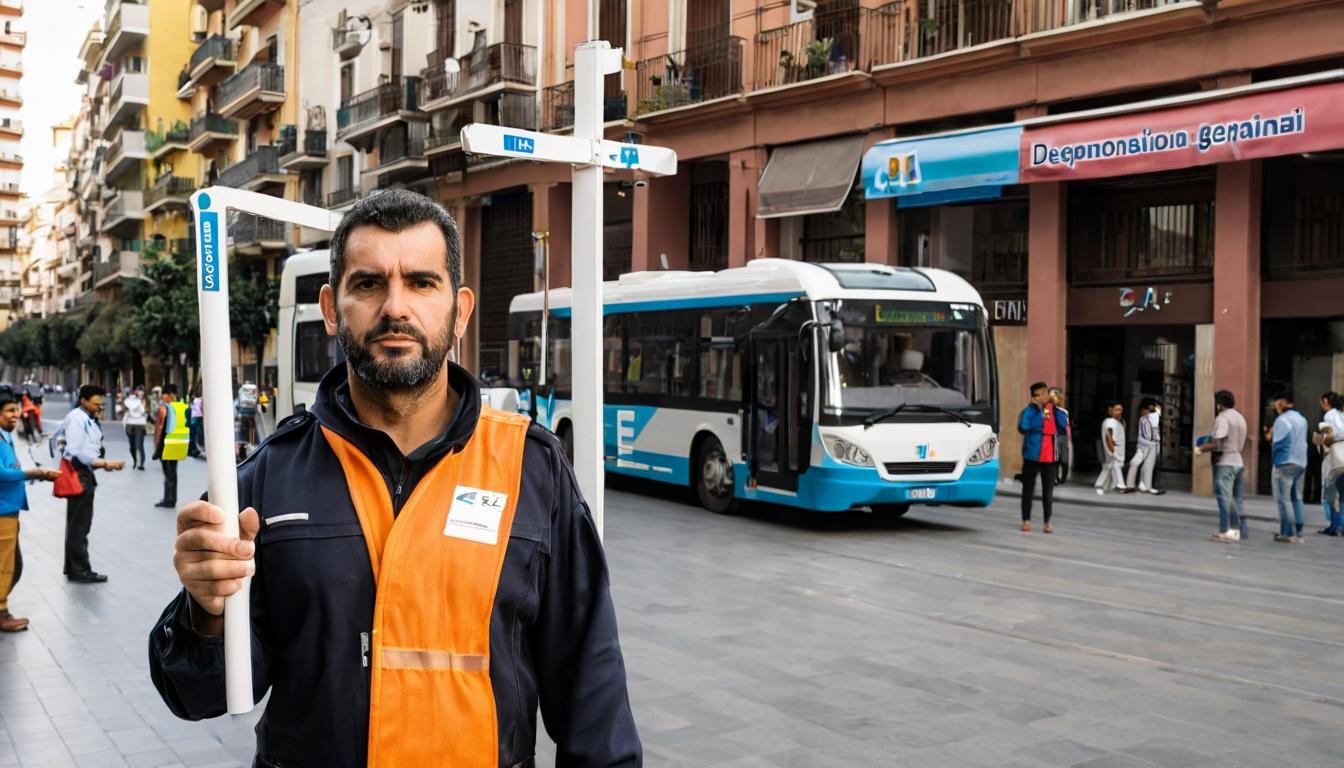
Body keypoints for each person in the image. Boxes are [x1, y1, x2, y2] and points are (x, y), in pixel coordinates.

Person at [148, 189, 641, 766]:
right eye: (369, 283)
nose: (395, 307)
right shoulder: (265, 480)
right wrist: (204, 609)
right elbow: (198, 695)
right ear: (332, 308)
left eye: (421, 282)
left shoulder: (532, 469)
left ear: (460, 311)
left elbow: (593, 691)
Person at [0, 393, 60, 632]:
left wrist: (39, 477)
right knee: (5, 565)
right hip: (3, 512)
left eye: (16, 410)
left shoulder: (6, 438)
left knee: (14, 564)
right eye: (10, 411)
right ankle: (2, 613)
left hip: (10, 510)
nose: (16, 415)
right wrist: (33, 474)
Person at [57, 385, 126, 583]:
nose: (99, 407)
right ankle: (80, 570)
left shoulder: (82, 417)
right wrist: (105, 463)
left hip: (84, 474)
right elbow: (76, 453)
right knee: (79, 527)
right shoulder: (78, 419)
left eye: (101, 404)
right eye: (96, 403)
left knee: (75, 525)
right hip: (80, 477)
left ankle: (73, 568)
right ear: (83, 400)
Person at [1197, 389, 1249, 543]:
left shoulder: (1223, 418)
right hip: (1238, 461)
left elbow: (1217, 441)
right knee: (1236, 499)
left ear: (1219, 404)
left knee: (1224, 499)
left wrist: (1201, 448)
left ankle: (1228, 530)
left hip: (1225, 462)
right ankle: (1239, 530)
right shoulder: (1240, 417)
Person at [1018, 381, 1068, 533]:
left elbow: (1062, 427)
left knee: (1048, 492)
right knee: (1028, 489)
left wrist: (1057, 406)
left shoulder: (1052, 410)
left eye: (1046, 393)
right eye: (1042, 394)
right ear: (1035, 397)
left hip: (1050, 456)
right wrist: (1034, 409)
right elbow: (1023, 427)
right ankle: (1026, 520)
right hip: (1032, 455)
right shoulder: (1029, 411)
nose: (1046, 396)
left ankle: (1047, 521)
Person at [1269, 392, 1308, 543]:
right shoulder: (1302, 419)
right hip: (1301, 462)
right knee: (1296, 498)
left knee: (1283, 500)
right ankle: (1298, 532)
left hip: (1285, 463)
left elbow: (1279, 443)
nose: (1277, 406)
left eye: (1279, 403)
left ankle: (1287, 533)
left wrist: (1276, 461)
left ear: (1286, 403)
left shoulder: (1282, 420)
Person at [152, 384, 187, 509]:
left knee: (168, 473)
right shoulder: (181, 406)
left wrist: (158, 450)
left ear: (166, 394)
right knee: (173, 472)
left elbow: (161, 430)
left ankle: (168, 499)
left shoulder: (164, 408)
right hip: (178, 442)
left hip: (166, 444)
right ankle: (172, 498)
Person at [1317, 391, 1344, 536]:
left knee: (1332, 493)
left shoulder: (1330, 415)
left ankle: (1335, 526)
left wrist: (1326, 437)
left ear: (1326, 401)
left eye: (1322, 401)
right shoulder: (1340, 414)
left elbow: (1336, 434)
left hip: (1335, 460)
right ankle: (1338, 525)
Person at [1126, 398, 1161, 493]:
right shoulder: (1144, 419)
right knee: (1136, 463)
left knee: (1148, 467)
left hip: (1151, 445)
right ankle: (1131, 485)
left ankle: (1145, 486)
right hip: (1144, 445)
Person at [1093, 401, 1127, 494]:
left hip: (1116, 450)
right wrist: (1112, 452)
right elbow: (1109, 438)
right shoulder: (1109, 422)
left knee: (1107, 467)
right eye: (1117, 410)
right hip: (1112, 451)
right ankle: (1120, 485)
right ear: (1110, 410)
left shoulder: (1119, 422)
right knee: (1114, 465)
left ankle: (1100, 483)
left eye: (1121, 410)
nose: (1119, 412)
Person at [1049, 387, 1072, 484]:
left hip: (1062, 437)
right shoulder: (1047, 410)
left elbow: (1065, 425)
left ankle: (1063, 478)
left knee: (1064, 459)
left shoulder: (1063, 412)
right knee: (1055, 459)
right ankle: (1055, 477)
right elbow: (1046, 421)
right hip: (1052, 436)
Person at [123, 385, 148, 470]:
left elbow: (146, 412)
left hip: (140, 425)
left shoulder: (143, 401)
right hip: (130, 425)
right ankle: (135, 461)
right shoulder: (127, 401)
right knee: (132, 446)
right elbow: (125, 413)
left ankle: (141, 464)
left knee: (139, 445)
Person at [188, 389, 204, 458]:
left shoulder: (196, 401)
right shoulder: (198, 401)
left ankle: (191, 450)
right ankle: (192, 450)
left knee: (193, 436)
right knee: (194, 436)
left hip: (193, 421)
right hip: (194, 422)